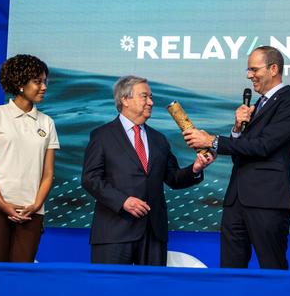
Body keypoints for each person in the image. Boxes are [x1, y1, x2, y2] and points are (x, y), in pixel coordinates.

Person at [183, 46, 290, 270]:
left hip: (267, 202)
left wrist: (212, 141)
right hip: (236, 201)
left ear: (274, 69)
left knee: (272, 270)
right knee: (230, 270)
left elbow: (263, 146)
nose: (249, 75)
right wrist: (237, 128)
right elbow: (243, 151)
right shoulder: (258, 104)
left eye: (254, 69)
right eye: (248, 70)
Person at [81, 75, 213, 265]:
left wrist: (195, 168)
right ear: (125, 99)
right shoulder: (102, 136)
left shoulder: (159, 139)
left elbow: (173, 178)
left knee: (151, 292)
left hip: (153, 234)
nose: (151, 102)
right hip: (114, 233)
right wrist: (123, 201)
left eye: (151, 97)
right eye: (145, 96)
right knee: (110, 291)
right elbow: (90, 179)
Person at [0, 54, 59, 262]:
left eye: (44, 81)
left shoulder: (47, 123)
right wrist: (3, 205)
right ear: (20, 83)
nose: (44, 87)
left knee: (21, 274)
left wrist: (37, 204)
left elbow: (48, 173)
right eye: (37, 81)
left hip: (32, 210)